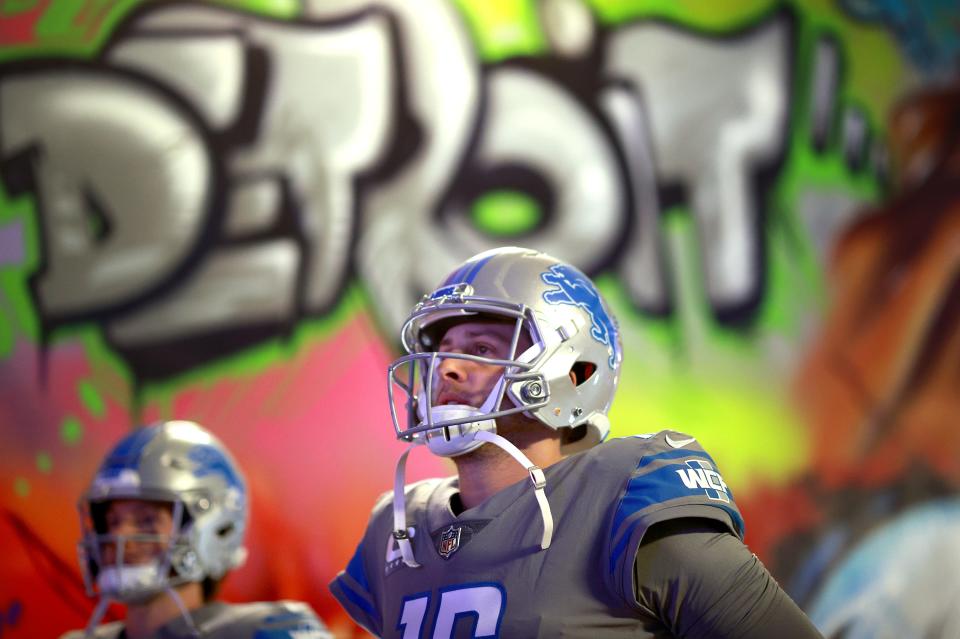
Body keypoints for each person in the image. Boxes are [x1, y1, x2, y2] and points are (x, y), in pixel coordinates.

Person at [330, 246, 823, 638]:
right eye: (445, 352)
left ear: (574, 369)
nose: (449, 368)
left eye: (481, 349)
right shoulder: (396, 528)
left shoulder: (624, 498)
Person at [62, 420, 331, 639]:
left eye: (146, 521)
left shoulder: (270, 631)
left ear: (213, 527)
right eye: (113, 521)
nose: (119, 536)